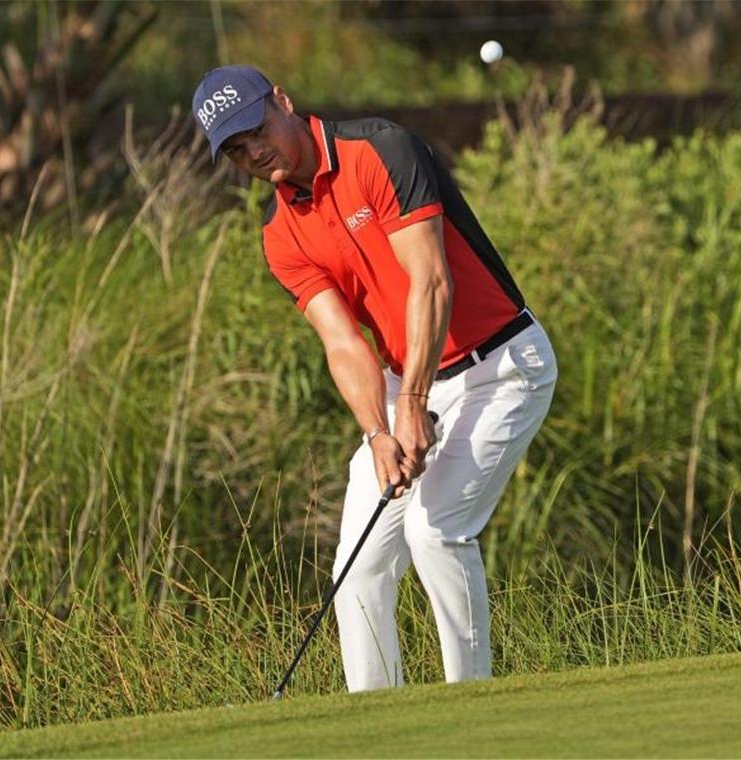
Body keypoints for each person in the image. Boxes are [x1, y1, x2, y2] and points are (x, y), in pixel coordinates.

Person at [191, 65, 557, 692]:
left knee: (436, 528)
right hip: (405, 384)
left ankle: (473, 705)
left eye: (254, 130)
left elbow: (431, 280)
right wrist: (378, 433)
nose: (252, 152)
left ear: (283, 100)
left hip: (501, 366)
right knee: (359, 570)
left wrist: (413, 400)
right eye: (233, 149)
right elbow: (343, 343)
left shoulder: (382, 150)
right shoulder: (281, 235)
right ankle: (373, 724)